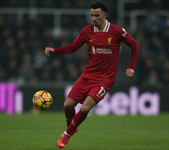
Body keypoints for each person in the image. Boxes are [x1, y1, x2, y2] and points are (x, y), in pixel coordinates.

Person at [45, 1, 139, 148]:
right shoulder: (87, 31)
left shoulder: (117, 31)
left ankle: (66, 134)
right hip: (87, 75)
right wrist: (55, 50)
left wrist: (131, 67)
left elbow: (135, 45)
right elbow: (74, 47)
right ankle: (72, 127)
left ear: (104, 15)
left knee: (84, 108)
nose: (94, 18)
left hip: (105, 79)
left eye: (96, 15)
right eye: (92, 15)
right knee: (68, 105)